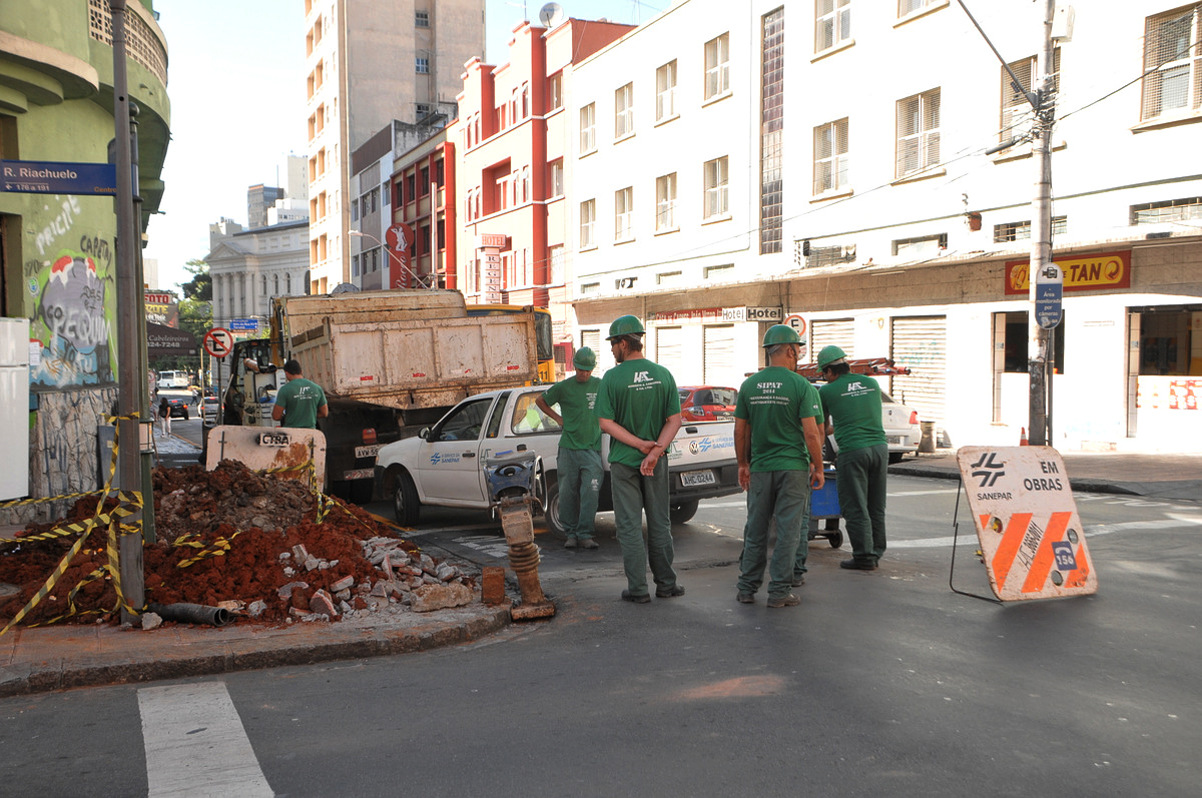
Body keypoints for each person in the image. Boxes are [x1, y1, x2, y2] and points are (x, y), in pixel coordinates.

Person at [595, 315, 685, 604]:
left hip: (624, 462)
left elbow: (606, 423)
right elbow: (675, 420)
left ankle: (638, 589)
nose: (611, 350)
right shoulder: (663, 374)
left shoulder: (612, 378)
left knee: (630, 526)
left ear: (624, 342)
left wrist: (640, 446)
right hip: (657, 463)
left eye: (612, 344)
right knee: (660, 522)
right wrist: (655, 451)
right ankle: (666, 584)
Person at [734, 325, 825, 608]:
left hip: (760, 467)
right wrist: (818, 466)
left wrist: (742, 463)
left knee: (756, 527)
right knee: (788, 530)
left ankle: (747, 588)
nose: (798, 354)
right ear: (788, 350)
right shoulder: (800, 386)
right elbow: (812, 433)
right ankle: (779, 592)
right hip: (793, 468)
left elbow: (740, 431)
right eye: (797, 349)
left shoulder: (749, 385)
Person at [816, 345, 888, 571]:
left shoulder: (826, 392)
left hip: (853, 451)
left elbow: (822, 428)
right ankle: (876, 551)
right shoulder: (872, 384)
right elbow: (861, 415)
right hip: (879, 448)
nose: (824, 379)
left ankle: (864, 557)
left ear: (829, 371)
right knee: (875, 504)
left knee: (855, 505)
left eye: (823, 374)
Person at [536, 347, 603, 550]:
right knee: (566, 493)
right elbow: (540, 400)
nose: (584, 374)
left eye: (588, 370)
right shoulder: (564, 387)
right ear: (575, 366)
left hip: (592, 449)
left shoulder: (601, 385)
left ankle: (585, 534)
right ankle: (571, 534)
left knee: (590, 492)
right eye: (581, 369)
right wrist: (558, 418)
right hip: (568, 449)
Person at [271, 359, 329, 429]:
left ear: (286, 373)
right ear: (301, 371)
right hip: (311, 433)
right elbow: (324, 413)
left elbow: (276, 416)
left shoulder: (285, 390)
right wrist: (310, 416)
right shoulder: (317, 388)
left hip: (292, 432)